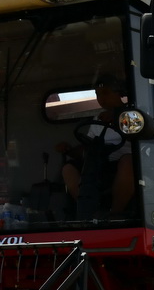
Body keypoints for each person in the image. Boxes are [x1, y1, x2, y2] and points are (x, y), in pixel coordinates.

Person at [57, 73, 135, 220]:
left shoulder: (132, 113)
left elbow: (137, 138)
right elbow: (89, 146)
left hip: (124, 162)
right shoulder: (97, 119)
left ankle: (115, 213)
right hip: (100, 162)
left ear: (119, 93)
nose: (101, 98)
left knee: (128, 162)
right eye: (98, 94)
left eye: (105, 93)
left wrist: (116, 118)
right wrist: (69, 150)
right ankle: (87, 213)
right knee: (68, 169)